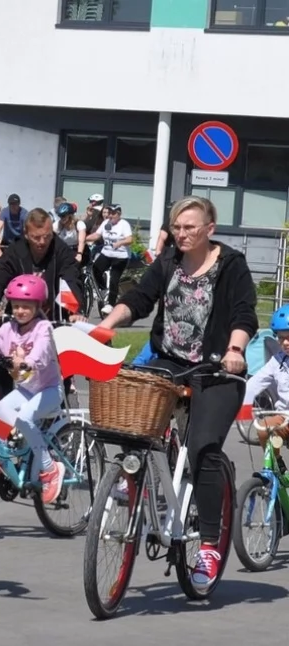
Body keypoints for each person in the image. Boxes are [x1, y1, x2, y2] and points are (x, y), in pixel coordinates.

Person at [98, 195, 256, 591]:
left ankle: (207, 544)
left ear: (209, 229)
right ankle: (134, 479)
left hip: (218, 368)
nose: (182, 234)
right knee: (134, 405)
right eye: (178, 227)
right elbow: (139, 299)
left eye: (190, 227)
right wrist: (105, 326)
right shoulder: (168, 260)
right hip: (171, 359)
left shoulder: (230, 264)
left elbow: (243, 312)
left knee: (203, 448)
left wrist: (236, 350)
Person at [0, 274, 65, 504]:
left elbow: (42, 351)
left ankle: (49, 467)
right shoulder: (9, 329)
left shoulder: (43, 328)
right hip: (26, 390)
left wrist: (28, 362)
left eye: (26, 306)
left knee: (24, 417)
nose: (20, 311)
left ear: (38, 306)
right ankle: (4, 461)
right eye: (16, 306)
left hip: (50, 389)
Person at [0, 208, 84, 322]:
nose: (42, 242)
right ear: (26, 234)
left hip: (52, 318)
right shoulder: (16, 250)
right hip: (19, 317)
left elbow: (72, 279)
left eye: (47, 236)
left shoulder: (61, 250)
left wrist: (76, 311)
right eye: (36, 237)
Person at [246, 305, 289, 444]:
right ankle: (276, 465)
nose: (285, 343)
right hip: (285, 417)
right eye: (281, 338)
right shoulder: (277, 360)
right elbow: (253, 385)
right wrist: (242, 408)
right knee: (263, 429)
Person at [86, 203, 133, 315]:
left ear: (119, 214)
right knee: (95, 269)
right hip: (107, 253)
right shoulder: (106, 223)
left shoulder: (124, 224)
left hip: (120, 256)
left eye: (113, 213)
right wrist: (83, 239)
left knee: (113, 278)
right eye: (109, 213)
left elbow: (130, 239)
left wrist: (120, 242)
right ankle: (103, 290)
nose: (110, 216)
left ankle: (110, 304)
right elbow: (97, 235)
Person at [54, 201, 86, 266]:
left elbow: (81, 241)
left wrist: (79, 254)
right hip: (62, 250)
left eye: (63, 216)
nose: (62, 218)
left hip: (75, 250)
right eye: (60, 216)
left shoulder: (79, 224)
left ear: (70, 215)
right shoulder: (57, 224)